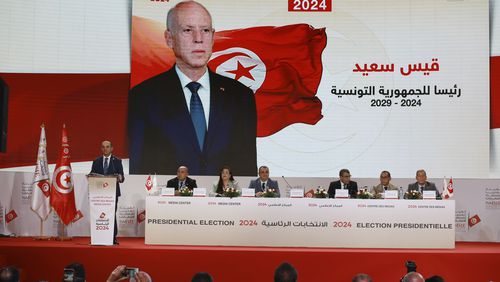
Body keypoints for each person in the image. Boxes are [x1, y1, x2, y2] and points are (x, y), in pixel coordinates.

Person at [128, 0, 257, 176]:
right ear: (169, 38)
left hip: (226, 202)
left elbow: (247, 169)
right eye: (188, 30)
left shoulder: (241, 96)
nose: (198, 39)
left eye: (205, 30)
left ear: (212, 37)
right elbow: (140, 169)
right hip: (169, 201)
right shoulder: (142, 97)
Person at [90, 140, 124, 245]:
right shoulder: (96, 161)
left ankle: (112, 237)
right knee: (98, 214)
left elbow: (122, 178)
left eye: (107, 147)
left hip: (112, 194)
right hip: (98, 195)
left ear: (111, 148)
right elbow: (92, 175)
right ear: (101, 149)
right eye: (103, 147)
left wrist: (119, 177)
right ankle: (97, 236)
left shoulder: (117, 161)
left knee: (111, 215)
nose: (105, 149)